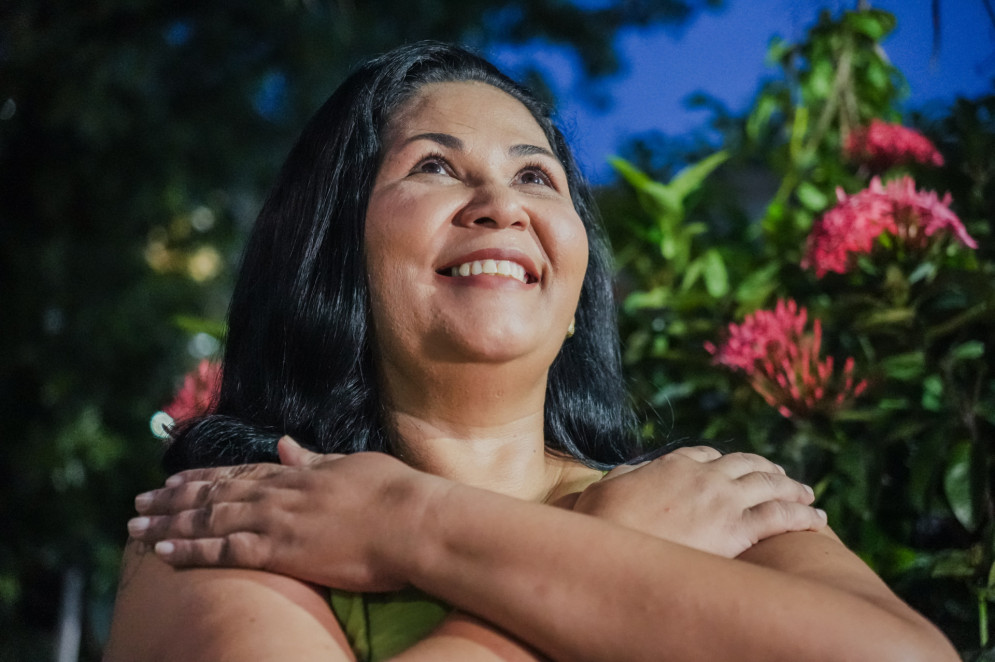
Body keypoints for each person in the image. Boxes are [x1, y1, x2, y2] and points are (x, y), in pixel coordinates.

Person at [104, 42, 957, 661]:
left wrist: (413, 526)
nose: (499, 205)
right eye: (434, 167)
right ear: (331, 248)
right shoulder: (245, 515)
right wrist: (609, 547)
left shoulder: (707, 496)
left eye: (535, 176)